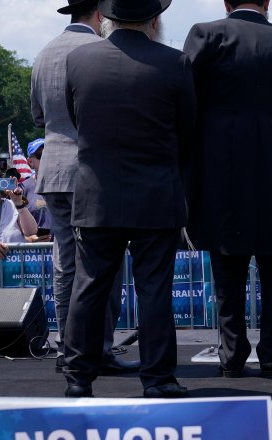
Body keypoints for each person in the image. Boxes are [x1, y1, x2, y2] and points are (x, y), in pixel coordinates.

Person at [64, 0, 194, 398]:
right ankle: (158, 379)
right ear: (155, 21)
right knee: (154, 290)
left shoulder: (79, 61)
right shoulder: (176, 63)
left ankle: (78, 379)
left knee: (88, 289)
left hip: (97, 195)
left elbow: (76, 120)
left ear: (104, 19)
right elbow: (188, 130)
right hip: (156, 195)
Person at [184, 0, 272, 378]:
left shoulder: (206, 35)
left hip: (223, 168)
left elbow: (185, 92)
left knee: (227, 268)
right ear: (268, 2)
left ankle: (232, 353)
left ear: (226, 3)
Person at [30, 0, 132, 379]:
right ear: (101, 17)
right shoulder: (98, 51)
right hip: (92, 170)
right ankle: (98, 350)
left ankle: (67, 348)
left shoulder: (43, 53)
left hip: (53, 170)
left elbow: (38, 115)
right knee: (104, 263)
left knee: (65, 262)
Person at [19, 138, 52, 231]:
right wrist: (27, 239)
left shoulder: (67, 184)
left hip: (64, 245)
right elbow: (14, 226)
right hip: (36, 245)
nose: (46, 159)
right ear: (30, 162)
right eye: (40, 156)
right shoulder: (22, 189)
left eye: (49, 154)